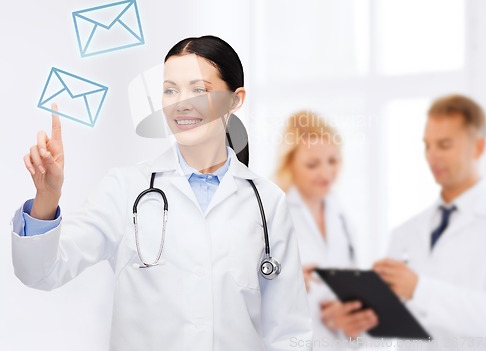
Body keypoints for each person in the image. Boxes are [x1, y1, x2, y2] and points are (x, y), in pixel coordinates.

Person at [11, 35, 313, 351]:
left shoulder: (267, 202)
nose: (181, 103)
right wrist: (47, 197)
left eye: (199, 90)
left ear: (235, 100)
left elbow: (289, 332)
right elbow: (41, 273)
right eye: (170, 90)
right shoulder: (125, 188)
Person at [374, 94, 486, 345]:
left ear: (479, 147)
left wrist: (419, 290)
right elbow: (386, 330)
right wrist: (360, 319)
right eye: (427, 145)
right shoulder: (406, 232)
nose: (432, 157)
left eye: (444, 145)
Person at [274, 110, 377, 347]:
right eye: (312, 164)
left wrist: (346, 317)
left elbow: (348, 291)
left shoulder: (342, 218)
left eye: (333, 161)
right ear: (290, 164)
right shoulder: (274, 217)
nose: (326, 173)